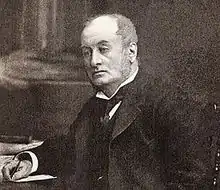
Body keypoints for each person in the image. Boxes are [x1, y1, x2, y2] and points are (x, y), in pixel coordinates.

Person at [1, 14, 215, 189]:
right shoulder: (95, 105)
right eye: (87, 52)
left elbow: (193, 182)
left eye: (103, 49)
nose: (94, 61)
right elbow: (69, 149)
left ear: (131, 52)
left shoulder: (172, 103)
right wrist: (30, 160)